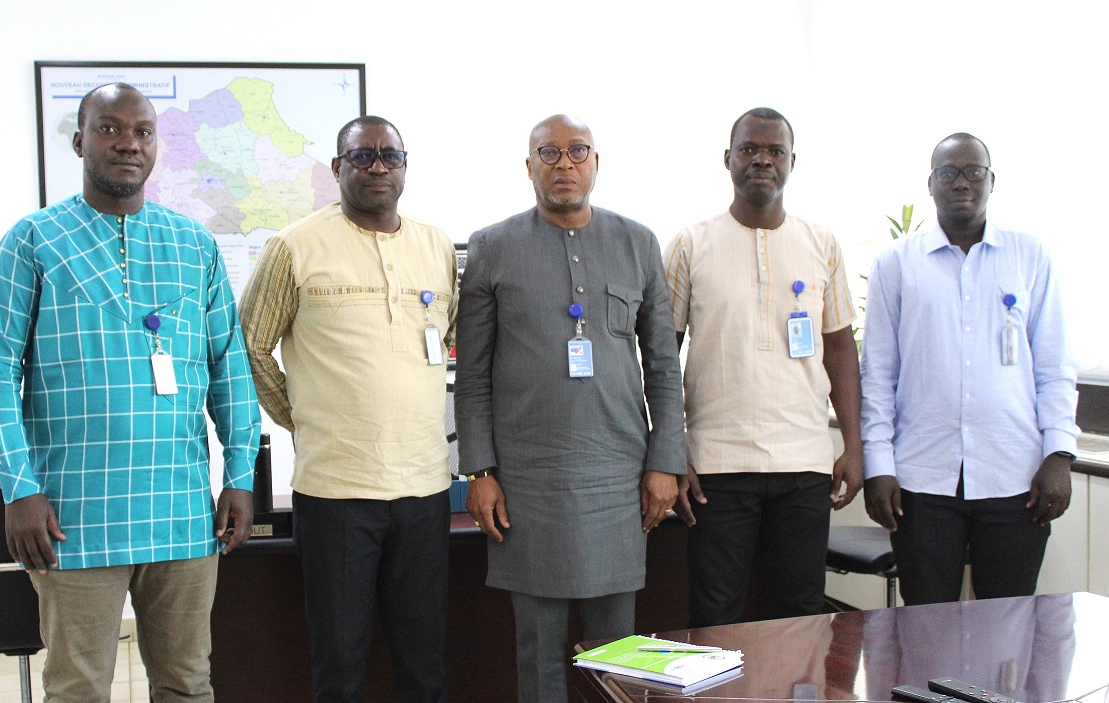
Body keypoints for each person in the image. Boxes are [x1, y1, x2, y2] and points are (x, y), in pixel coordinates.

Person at [0, 82, 260, 703]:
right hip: (72, 516)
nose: (127, 142)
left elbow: (228, 367)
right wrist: (19, 487)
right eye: (109, 128)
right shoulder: (32, 242)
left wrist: (239, 475)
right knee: (77, 688)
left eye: (142, 131)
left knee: (187, 684)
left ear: (156, 145)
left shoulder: (195, 246)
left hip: (182, 514)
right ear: (80, 141)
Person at [454, 114, 686, 703]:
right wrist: (479, 472)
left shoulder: (638, 242)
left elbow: (663, 363)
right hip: (527, 481)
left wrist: (665, 462)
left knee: (617, 651)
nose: (564, 164)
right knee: (538, 649)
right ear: (528, 165)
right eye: (549, 153)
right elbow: (472, 374)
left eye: (577, 151)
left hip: (618, 477)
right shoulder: (490, 247)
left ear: (596, 162)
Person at [238, 116, 457, 703]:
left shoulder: (436, 246)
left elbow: (449, 338)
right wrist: (302, 417)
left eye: (391, 156)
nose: (378, 167)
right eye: (362, 157)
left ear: (406, 165)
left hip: (424, 488)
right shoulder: (293, 246)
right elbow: (251, 345)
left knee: (424, 660)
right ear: (337, 168)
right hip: (336, 492)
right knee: (339, 665)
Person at [663, 107, 863, 628]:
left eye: (775, 151)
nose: (762, 160)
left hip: (804, 463)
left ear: (792, 162)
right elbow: (663, 355)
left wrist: (855, 446)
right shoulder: (690, 244)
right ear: (727, 159)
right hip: (716, 466)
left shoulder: (823, 244)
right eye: (749, 149)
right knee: (715, 616)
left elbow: (840, 349)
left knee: (798, 616)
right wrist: (669, 449)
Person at [859, 132, 1079, 604]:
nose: (962, 182)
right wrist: (878, 465)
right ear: (931, 184)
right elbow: (877, 375)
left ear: (991, 180)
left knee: (1008, 627)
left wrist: (1059, 455)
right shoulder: (897, 264)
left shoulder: (1029, 256)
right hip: (922, 480)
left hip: (1016, 478)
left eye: (973, 171)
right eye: (948, 173)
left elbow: (1055, 365)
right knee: (924, 626)